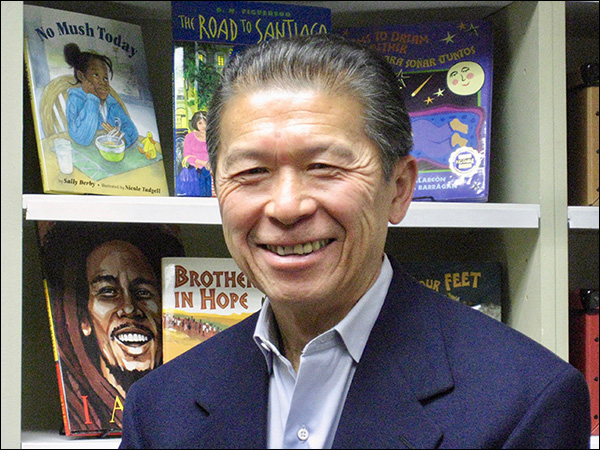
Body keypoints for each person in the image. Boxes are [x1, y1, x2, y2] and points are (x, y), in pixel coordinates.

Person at [120, 34, 591, 449]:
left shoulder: (526, 403)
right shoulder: (159, 408)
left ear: (399, 189)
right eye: (252, 171)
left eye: (324, 167)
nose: (286, 207)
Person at [40, 222, 184, 432]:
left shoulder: (184, 409)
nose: (129, 308)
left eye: (143, 292)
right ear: (84, 320)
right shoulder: (81, 412)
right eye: (108, 292)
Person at [63, 43, 138, 148]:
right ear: (81, 76)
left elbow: (131, 129)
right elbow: (82, 138)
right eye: (96, 75)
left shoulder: (111, 102)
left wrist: (121, 137)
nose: (103, 82)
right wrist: (92, 99)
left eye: (105, 78)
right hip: (85, 154)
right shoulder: (75, 99)